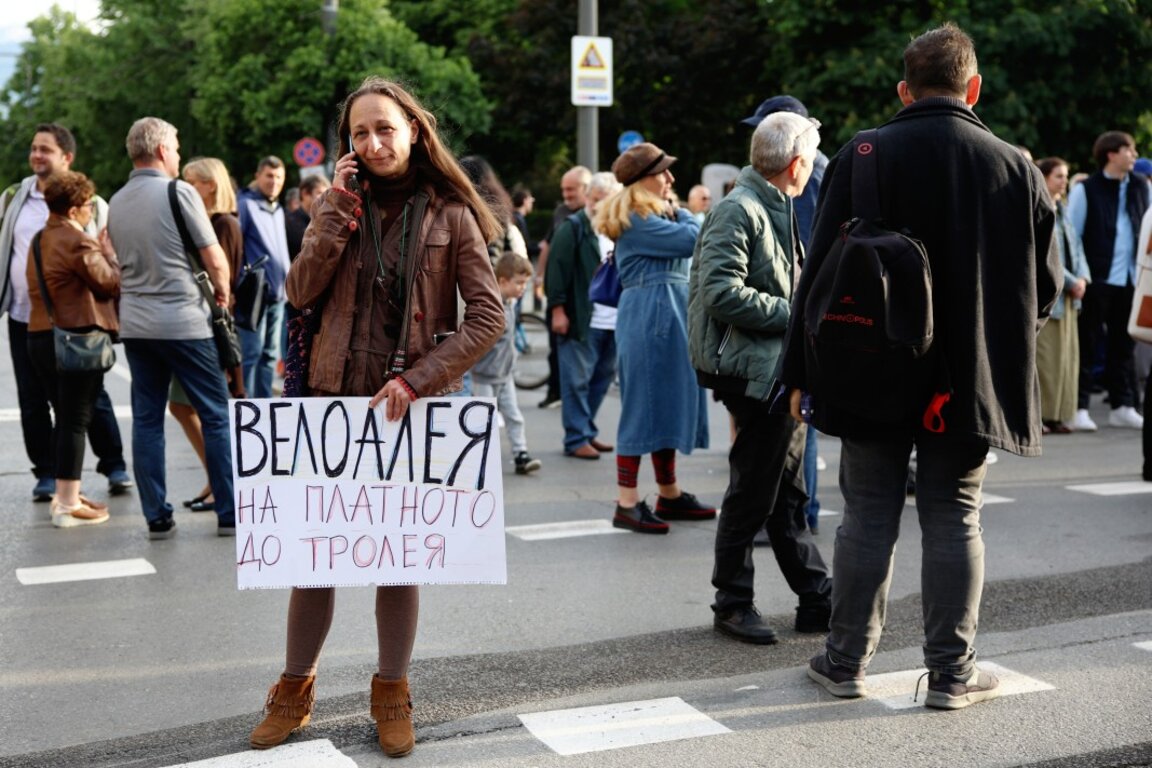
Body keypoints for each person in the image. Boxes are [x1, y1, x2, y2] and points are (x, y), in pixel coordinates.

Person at [780, 23, 1059, 709]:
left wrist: (800, 373)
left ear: (904, 90)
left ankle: (844, 662)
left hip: (869, 367)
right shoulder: (1014, 167)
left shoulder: (864, 153)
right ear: (974, 87)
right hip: (968, 376)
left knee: (867, 515)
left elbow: (818, 279)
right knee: (956, 516)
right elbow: (1045, 289)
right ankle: (952, 675)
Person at [250, 76, 504, 757]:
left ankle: (392, 690)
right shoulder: (336, 206)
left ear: (414, 130)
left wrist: (419, 382)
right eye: (359, 133)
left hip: (406, 415)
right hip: (330, 407)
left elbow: (488, 317)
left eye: (384, 128)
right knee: (315, 560)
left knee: (397, 562)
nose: (373, 142)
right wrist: (335, 210)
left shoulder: (453, 214)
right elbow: (298, 291)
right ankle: (293, 689)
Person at [688, 112, 832, 643]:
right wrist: (797, 312)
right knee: (756, 491)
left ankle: (816, 596)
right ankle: (732, 602)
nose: (813, 167)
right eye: (811, 158)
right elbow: (720, 293)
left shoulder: (771, 203)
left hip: (772, 368)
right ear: (796, 165)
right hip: (752, 372)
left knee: (785, 491)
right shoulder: (740, 208)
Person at [107, 116, 237, 540]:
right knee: (215, 414)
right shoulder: (178, 191)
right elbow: (213, 257)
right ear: (162, 150)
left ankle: (157, 516)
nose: (178, 156)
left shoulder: (117, 201)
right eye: (177, 148)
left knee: (147, 420)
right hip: (184, 322)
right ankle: (229, 512)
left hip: (137, 326)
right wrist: (222, 295)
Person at [0, 123, 133, 501]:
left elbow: (105, 257)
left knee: (91, 397)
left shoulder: (93, 204)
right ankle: (47, 474)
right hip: (25, 317)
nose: (36, 155)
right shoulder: (13, 198)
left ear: (66, 157)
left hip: (78, 319)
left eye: (45, 149)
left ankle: (113, 464)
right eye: (34, 148)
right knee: (33, 400)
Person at [593, 142, 713, 534]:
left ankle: (669, 494)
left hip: (663, 313)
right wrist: (687, 214)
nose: (671, 179)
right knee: (642, 407)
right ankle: (627, 503)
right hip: (651, 315)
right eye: (663, 172)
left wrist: (679, 213)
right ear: (642, 180)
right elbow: (695, 238)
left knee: (666, 404)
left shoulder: (652, 214)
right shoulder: (637, 217)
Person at [741, 94, 830, 535]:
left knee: (796, 417)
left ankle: (796, 517)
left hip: (799, 305)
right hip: (804, 304)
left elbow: (802, 246)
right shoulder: (824, 169)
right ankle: (795, 516)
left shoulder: (809, 174)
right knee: (796, 415)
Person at [25, 171, 119, 528]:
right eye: (88, 206)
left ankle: (66, 494)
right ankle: (67, 504)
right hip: (76, 339)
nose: (91, 211)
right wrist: (109, 254)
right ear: (75, 208)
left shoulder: (39, 238)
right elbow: (109, 284)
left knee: (63, 416)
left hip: (41, 336)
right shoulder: (78, 241)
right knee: (75, 420)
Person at [175, 156, 246, 512]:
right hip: (198, 323)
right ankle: (216, 478)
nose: (185, 187)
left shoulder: (223, 223)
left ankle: (222, 482)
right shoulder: (204, 220)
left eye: (191, 181)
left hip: (211, 325)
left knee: (207, 408)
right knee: (183, 405)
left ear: (210, 185)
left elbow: (223, 282)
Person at [1066, 131, 1150, 431]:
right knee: (1087, 344)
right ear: (1111, 154)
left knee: (1124, 346)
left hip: (1131, 278)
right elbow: (1073, 236)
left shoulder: (1141, 187)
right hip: (1095, 278)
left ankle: (1122, 405)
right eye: (1129, 149)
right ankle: (1079, 407)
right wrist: (1079, 275)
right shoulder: (1086, 189)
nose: (1134, 155)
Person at [546, 171, 621, 460]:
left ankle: (586, 430)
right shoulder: (574, 227)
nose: (598, 204)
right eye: (595, 198)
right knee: (576, 381)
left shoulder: (616, 228)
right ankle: (576, 437)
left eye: (605, 199)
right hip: (582, 319)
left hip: (612, 319)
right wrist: (557, 310)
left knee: (601, 378)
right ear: (588, 197)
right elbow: (557, 271)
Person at [1035, 157, 1091, 434]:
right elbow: (1045, 253)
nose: (1064, 181)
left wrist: (1083, 278)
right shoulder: (1038, 207)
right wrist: (1070, 281)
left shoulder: (1063, 208)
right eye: (1058, 176)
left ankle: (1058, 415)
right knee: (1047, 358)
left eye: (1066, 176)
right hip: (1051, 293)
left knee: (1066, 358)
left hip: (1069, 296)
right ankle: (1040, 416)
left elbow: (1077, 246)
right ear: (1043, 177)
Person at [473, 251, 542, 475]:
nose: (523, 288)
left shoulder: (510, 303)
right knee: (484, 419)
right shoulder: (491, 306)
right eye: (519, 283)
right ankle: (480, 459)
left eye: (525, 283)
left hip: (505, 375)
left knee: (514, 416)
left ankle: (521, 454)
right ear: (503, 281)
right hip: (485, 375)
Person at [537, 166, 592, 409]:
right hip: (558, 294)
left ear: (586, 188)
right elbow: (547, 245)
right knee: (556, 348)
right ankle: (556, 392)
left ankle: (575, 399)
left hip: (582, 296)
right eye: (563, 189)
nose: (566, 194)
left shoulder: (591, 215)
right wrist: (539, 276)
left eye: (571, 189)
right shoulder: (561, 212)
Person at [237, 155, 290, 398]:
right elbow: (236, 248)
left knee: (269, 355)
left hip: (278, 294)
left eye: (279, 177)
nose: (274, 181)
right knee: (251, 353)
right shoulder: (245, 204)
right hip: (254, 294)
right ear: (257, 176)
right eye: (269, 175)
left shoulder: (277, 208)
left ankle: (265, 406)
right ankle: (246, 405)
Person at [511, 187, 539, 260]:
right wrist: (540, 248)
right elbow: (526, 246)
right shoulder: (518, 219)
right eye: (531, 201)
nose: (532, 204)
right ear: (525, 200)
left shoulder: (515, 217)